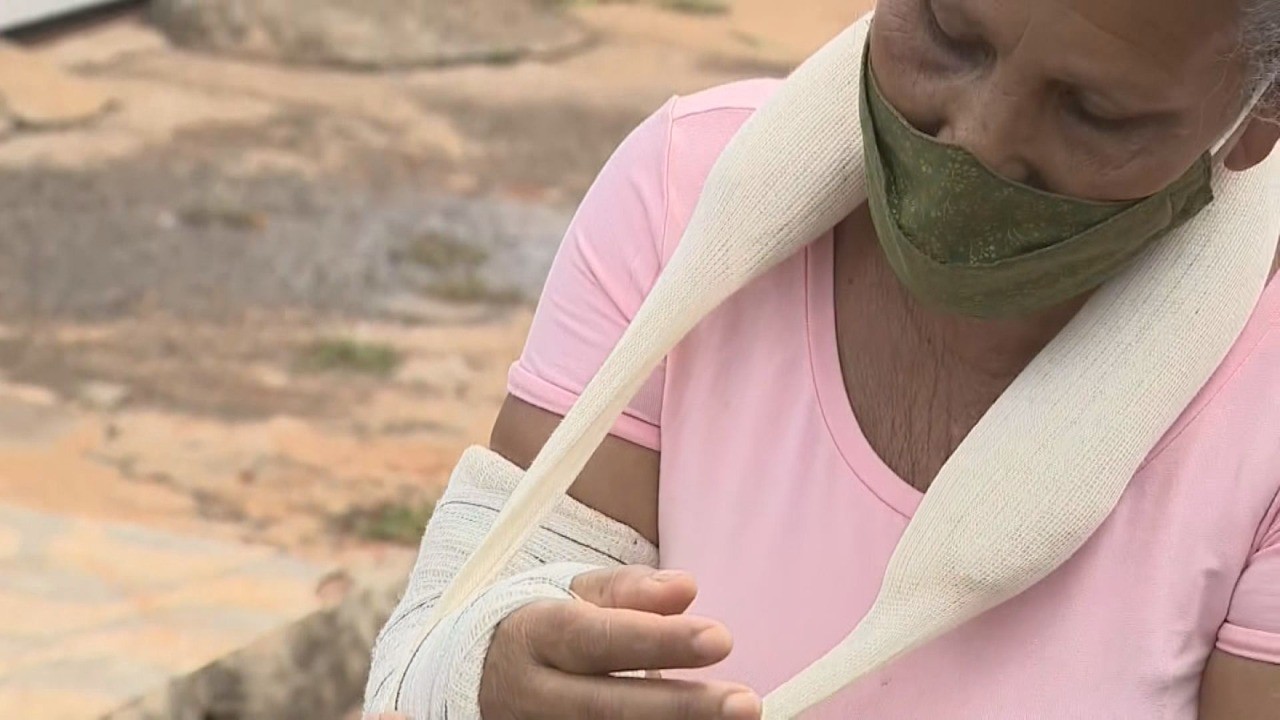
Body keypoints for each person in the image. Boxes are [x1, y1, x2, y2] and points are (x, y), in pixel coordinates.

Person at [364, 0, 1280, 717]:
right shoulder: (688, 197)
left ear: (1256, 119)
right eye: (950, 32)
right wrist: (487, 671)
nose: (978, 137)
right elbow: (438, 650)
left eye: (1094, 110)